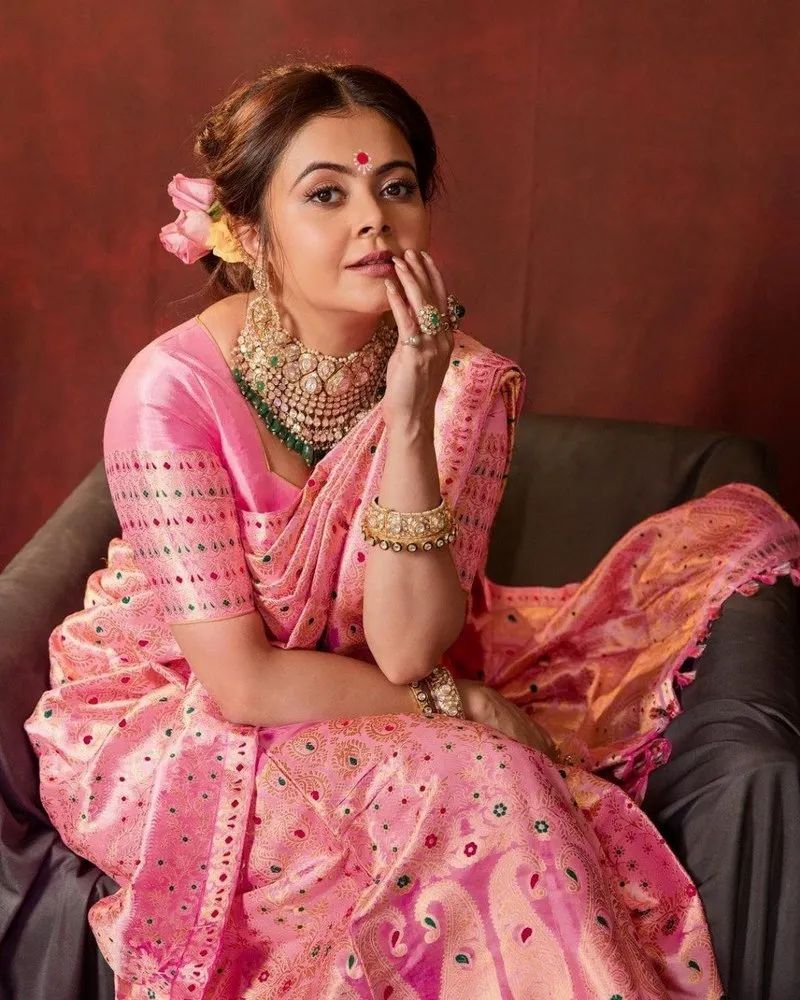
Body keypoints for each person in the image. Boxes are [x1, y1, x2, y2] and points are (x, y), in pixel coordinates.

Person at [24, 61, 800, 1000]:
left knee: (489, 785)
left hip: (370, 687)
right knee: (482, 779)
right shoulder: (171, 389)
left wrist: (408, 417)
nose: (375, 220)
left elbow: (402, 648)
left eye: (397, 188)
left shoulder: (462, 383)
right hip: (178, 708)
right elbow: (242, 680)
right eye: (327, 194)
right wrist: (455, 705)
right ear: (252, 233)